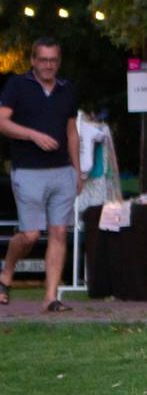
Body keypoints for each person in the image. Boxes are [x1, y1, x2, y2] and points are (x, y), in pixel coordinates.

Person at [0, 37, 79, 311]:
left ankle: (51, 297)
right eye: (43, 60)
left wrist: (77, 171)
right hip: (28, 169)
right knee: (31, 235)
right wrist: (33, 136)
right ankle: (6, 273)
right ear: (33, 61)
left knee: (59, 231)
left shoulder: (67, 89)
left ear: (59, 62)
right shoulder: (17, 86)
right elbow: (2, 122)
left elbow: (72, 132)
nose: (48, 65)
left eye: (53, 60)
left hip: (62, 170)